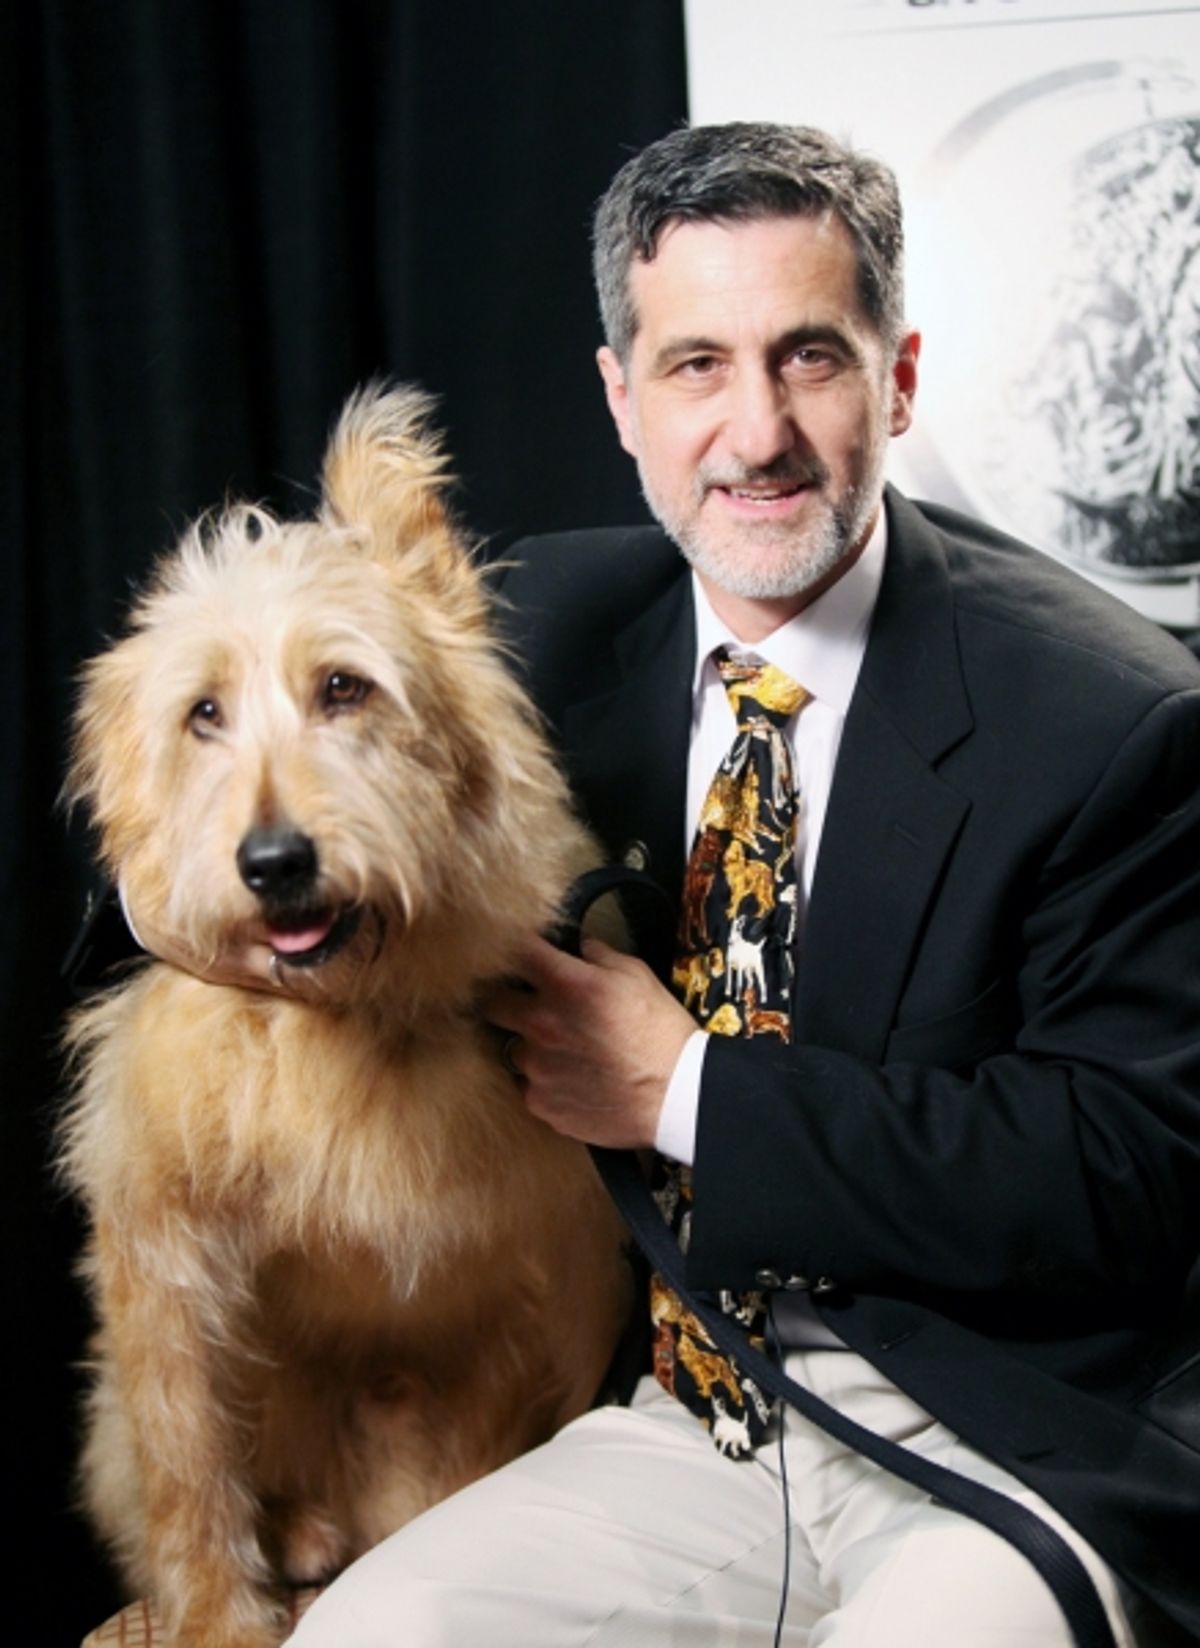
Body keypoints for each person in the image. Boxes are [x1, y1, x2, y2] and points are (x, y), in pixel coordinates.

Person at [116, 124, 1200, 1644]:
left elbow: (1133, 1171)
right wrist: (229, 908)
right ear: (622, 399)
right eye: (696, 365)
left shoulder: (1110, 719)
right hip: (689, 1416)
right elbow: (218, 789)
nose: (753, 433)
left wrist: (684, 1090)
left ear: (896, 379)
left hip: (1007, 1441)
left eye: (809, 359)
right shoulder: (535, 636)